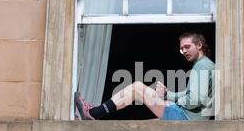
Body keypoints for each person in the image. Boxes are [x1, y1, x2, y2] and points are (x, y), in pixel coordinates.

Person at [75, 33, 215, 121]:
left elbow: (195, 100)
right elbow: (193, 96)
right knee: (147, 127)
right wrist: (167, 94)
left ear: (199, 45)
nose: (184, 51)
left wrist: (168, 96)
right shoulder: (208, 65)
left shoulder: (202, 66)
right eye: (182, 48)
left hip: (186, 118)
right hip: (193, 118)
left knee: (137, 88)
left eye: (187, 46)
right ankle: (87, 120)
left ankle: (93, 113)